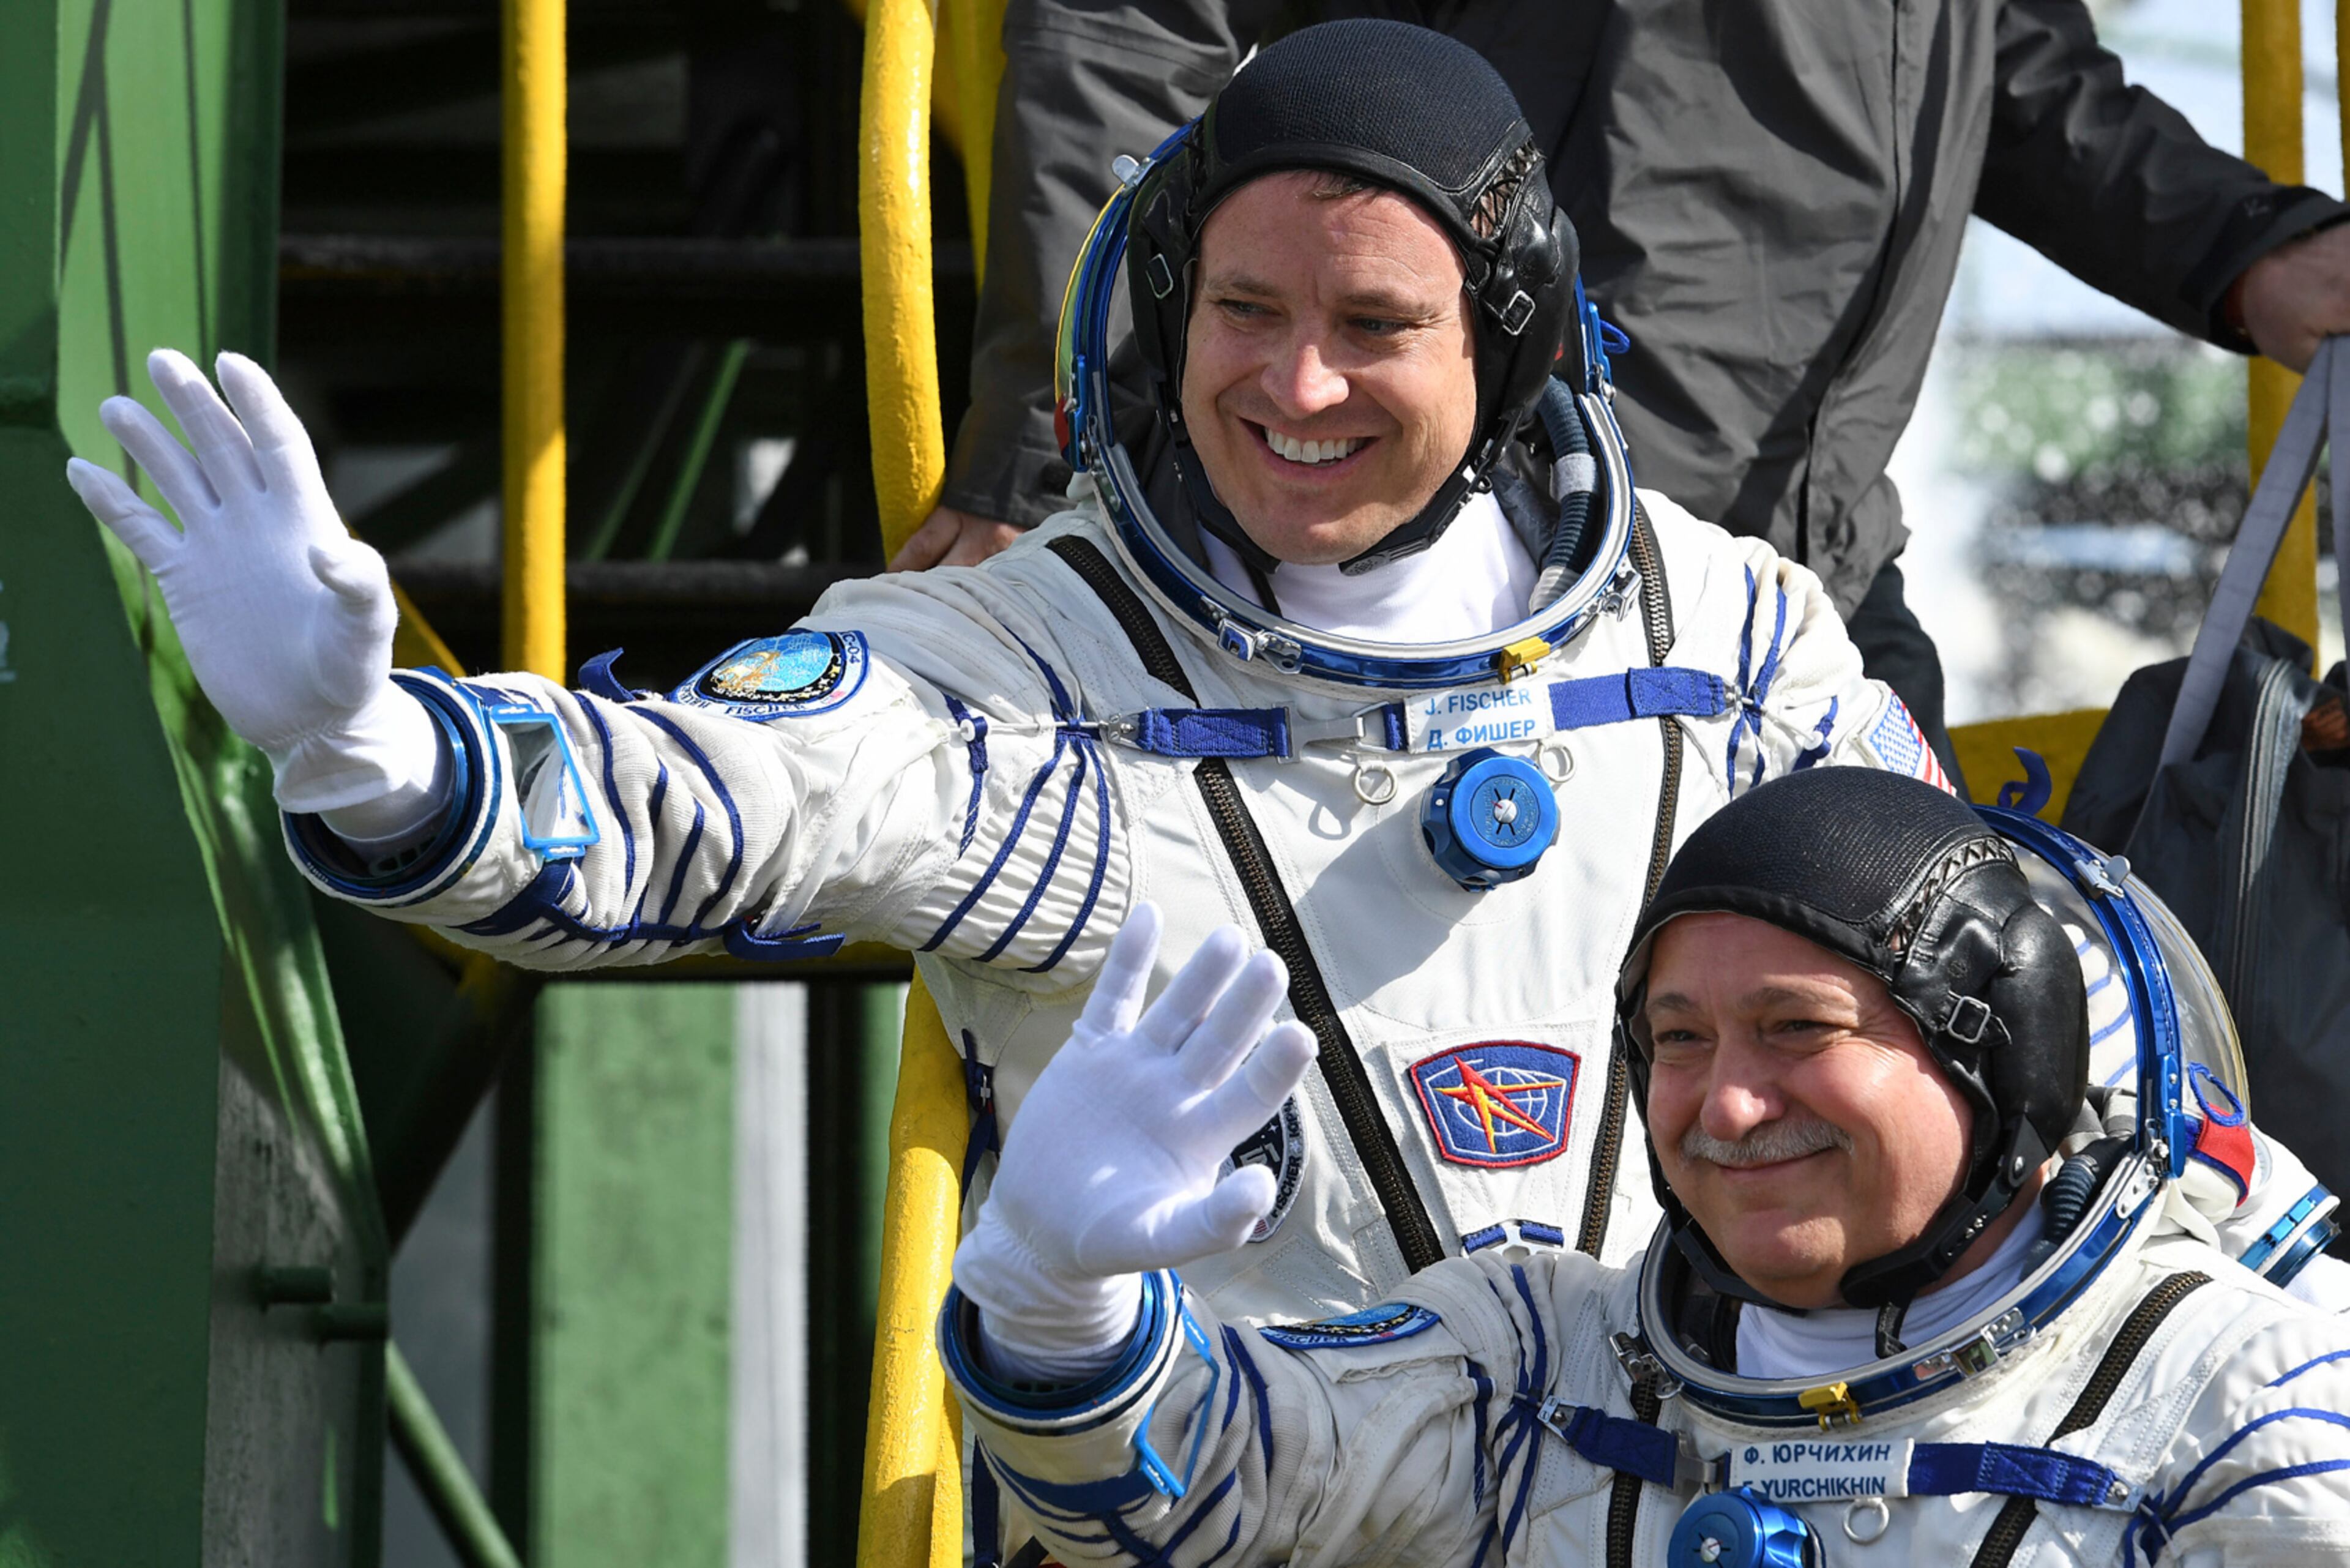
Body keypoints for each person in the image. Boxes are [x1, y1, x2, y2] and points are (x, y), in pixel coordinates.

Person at [67, 23, 1915, 1327]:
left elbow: (1992, 983)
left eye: (1377, 330)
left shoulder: (1723, 645)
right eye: (1247, 313)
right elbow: (722, 800)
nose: (1296, 388)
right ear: (1163, 303)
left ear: (1505, 346)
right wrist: (375, 742)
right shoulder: (1031, 670)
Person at [905, 0, 2350, 785]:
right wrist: (1062, 440)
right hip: (1496, 581)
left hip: (1809, 572)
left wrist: (2245, 251)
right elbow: (1123, 24)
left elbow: (2002, 59)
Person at [943, 769, 2350, 1568]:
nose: (1727, 1105)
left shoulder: (2241, 1397)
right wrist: (1055, 1304)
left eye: (1801, 1030)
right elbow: (1196, 1499)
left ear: (2000, 1057)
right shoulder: (1536, 1361)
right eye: (1678, 1041)